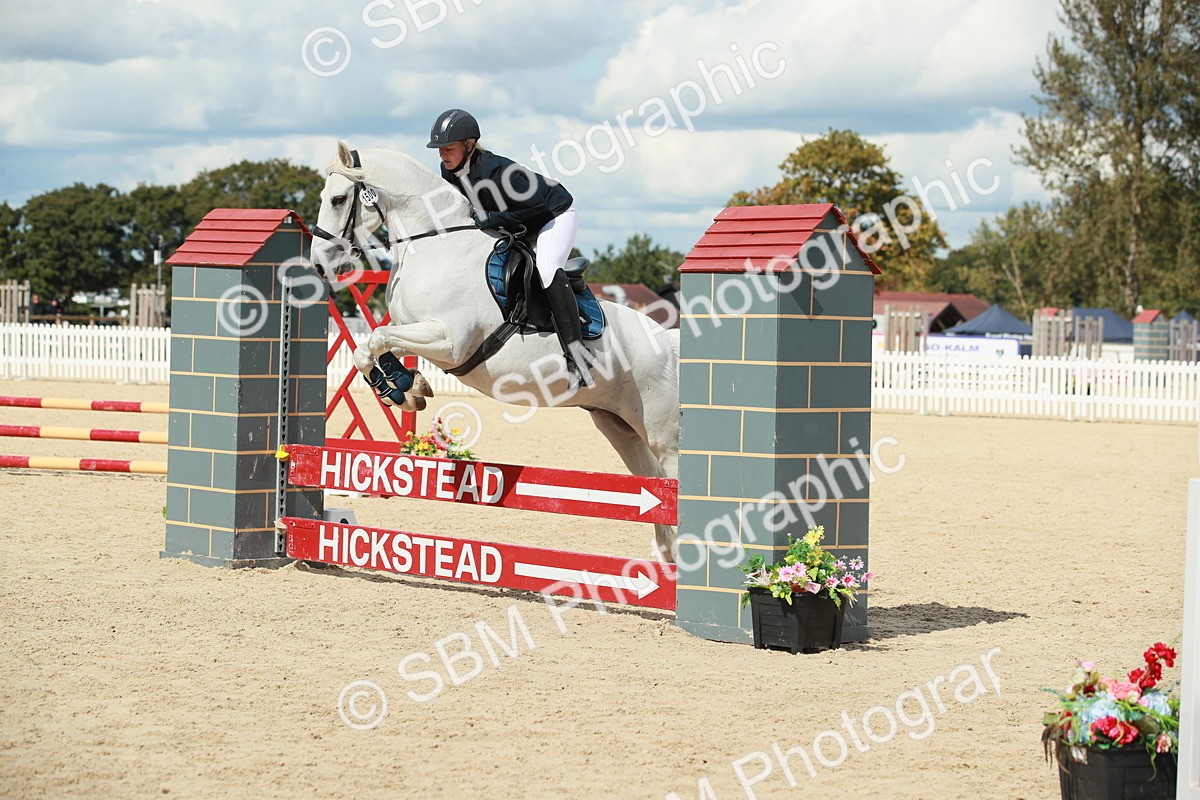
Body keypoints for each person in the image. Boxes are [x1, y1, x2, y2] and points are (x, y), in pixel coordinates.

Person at [427, 108, 594, 391]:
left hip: (553, 216)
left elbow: (536, 208)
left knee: (547, 268)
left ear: (469, 146)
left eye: (449, 148)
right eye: (440, 149)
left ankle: (579, 357)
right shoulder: (449, 171)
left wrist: (491, 219)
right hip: (519, 222)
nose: (443, 154)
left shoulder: (497, 170)